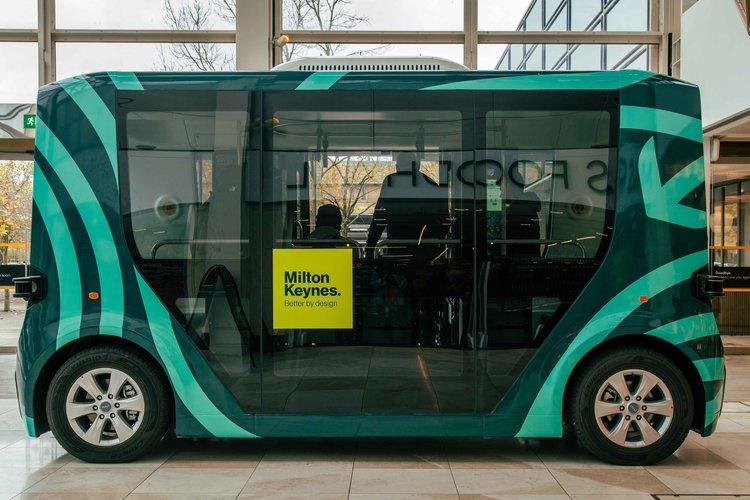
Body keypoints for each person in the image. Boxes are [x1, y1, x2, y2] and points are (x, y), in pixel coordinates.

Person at [365, 152, 448, 259]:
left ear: (397, 166)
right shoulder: (431, 183)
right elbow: (445, 218)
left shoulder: (391, 181)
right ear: (417, 166)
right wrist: (438, 240)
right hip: (427, 246)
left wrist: (370, 247)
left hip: (398, 244)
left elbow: (379, 217)